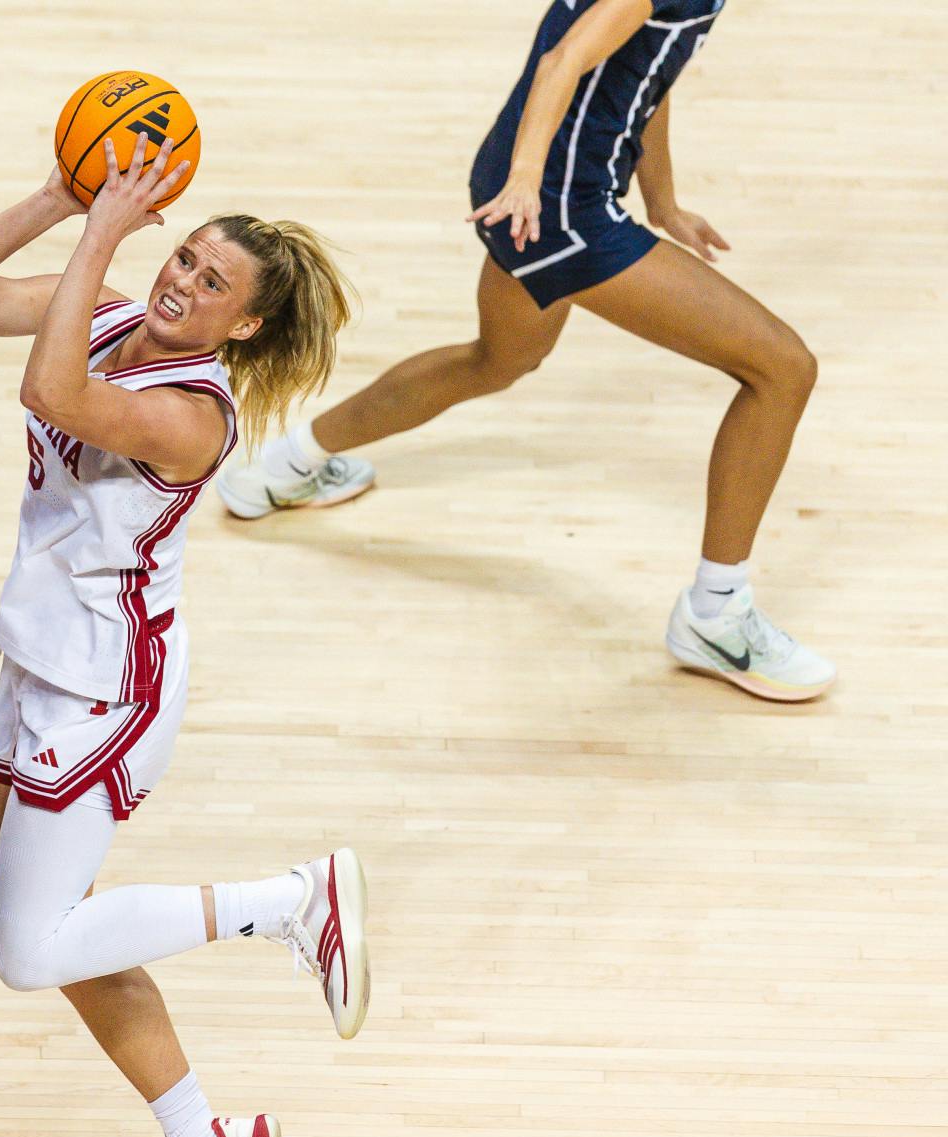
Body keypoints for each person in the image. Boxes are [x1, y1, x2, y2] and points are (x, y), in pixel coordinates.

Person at [0, 140, 370, 1137]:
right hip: (40, 656)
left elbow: (50, 394)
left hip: (103, 688)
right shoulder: (105, 311)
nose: (180, 280)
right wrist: (53, 199)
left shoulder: (192, 414)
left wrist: (102, 229)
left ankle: (290, 901)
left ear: (243, 327)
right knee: (69, 940)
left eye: (212, 282)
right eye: (184, 256)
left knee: (27, 951)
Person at [219, 0, 832, 702]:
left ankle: (282, 466)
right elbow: (562, 62)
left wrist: (662, 201)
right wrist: (525, 180)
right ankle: (717, 615)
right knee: (782, 369)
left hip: (540, 193)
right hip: (556, 207)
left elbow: (643, 70)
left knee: (498, 360)